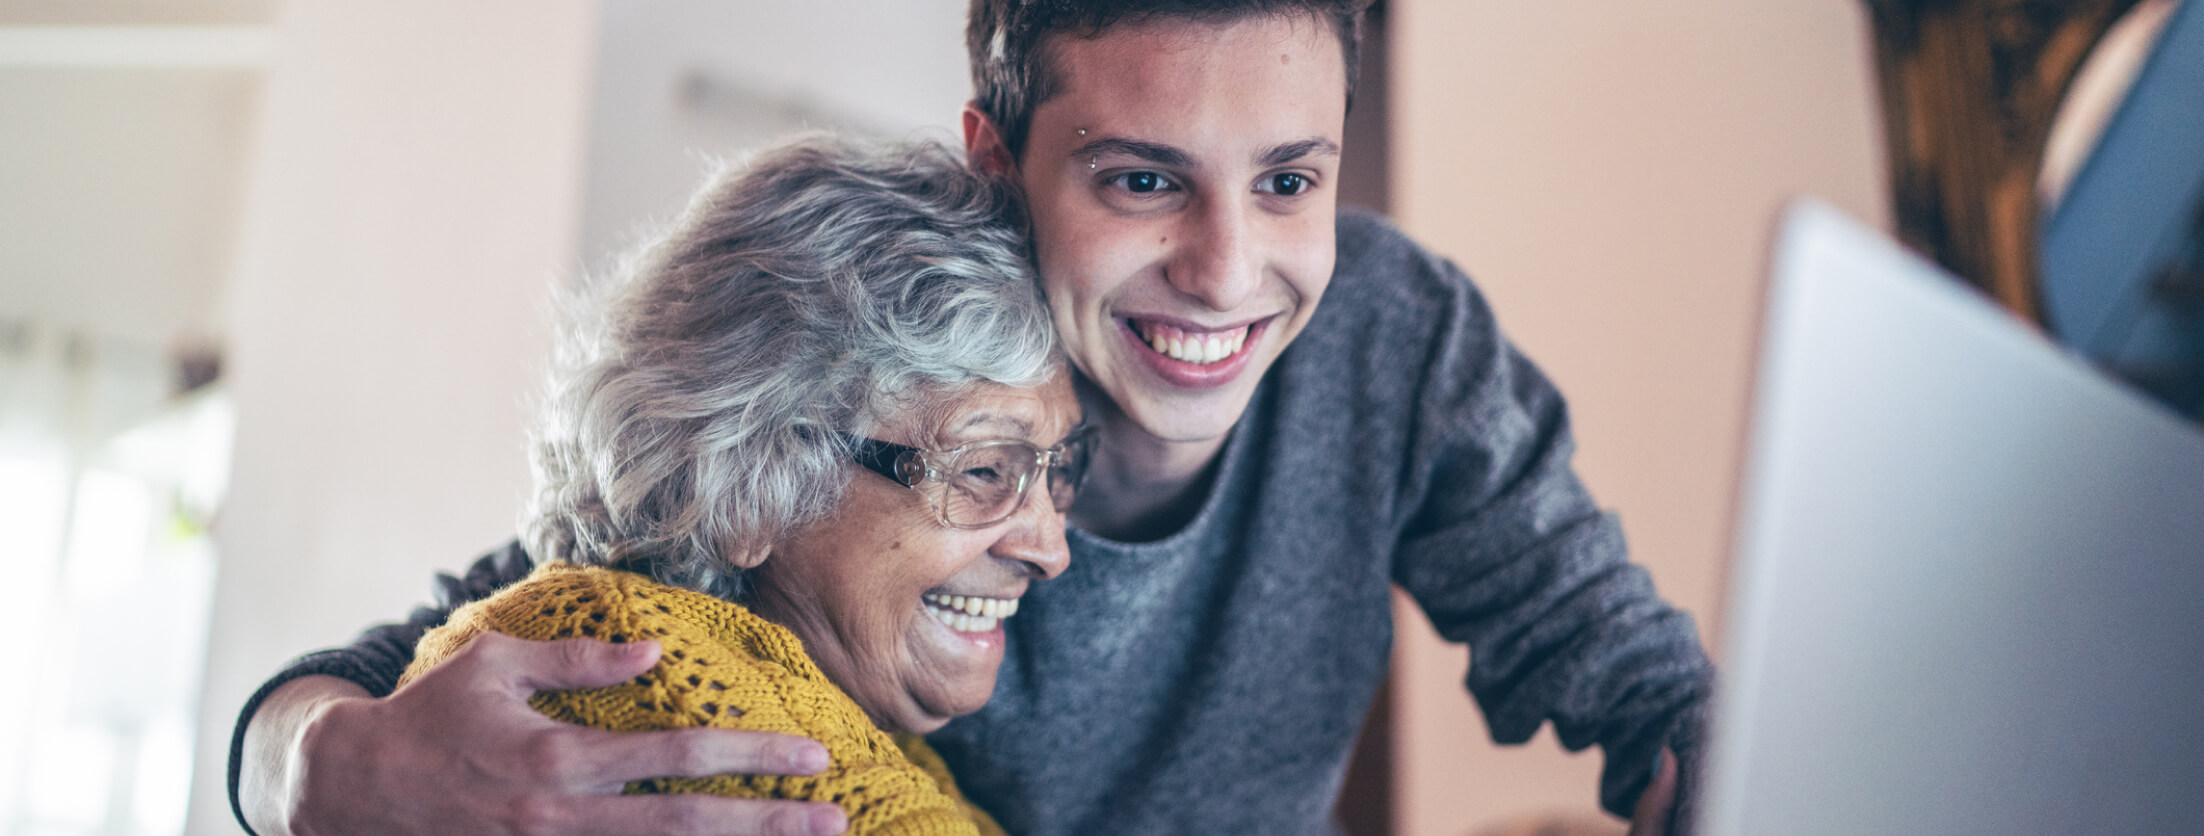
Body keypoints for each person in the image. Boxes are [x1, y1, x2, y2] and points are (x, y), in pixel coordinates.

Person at [231, 2, 1713, 835]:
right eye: (1142, 179)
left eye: (1289, 180)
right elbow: (530, 611)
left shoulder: (1396, 333)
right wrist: (309, 763)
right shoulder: (900, 343)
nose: (1227, 272)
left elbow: (1648, 699)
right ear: (996, 156)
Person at [386, 135, 1083, 836]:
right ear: (751, 481)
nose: (1052, 550)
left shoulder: (865, 734)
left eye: (1059, 470)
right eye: (984, 470)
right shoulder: (632, 669)